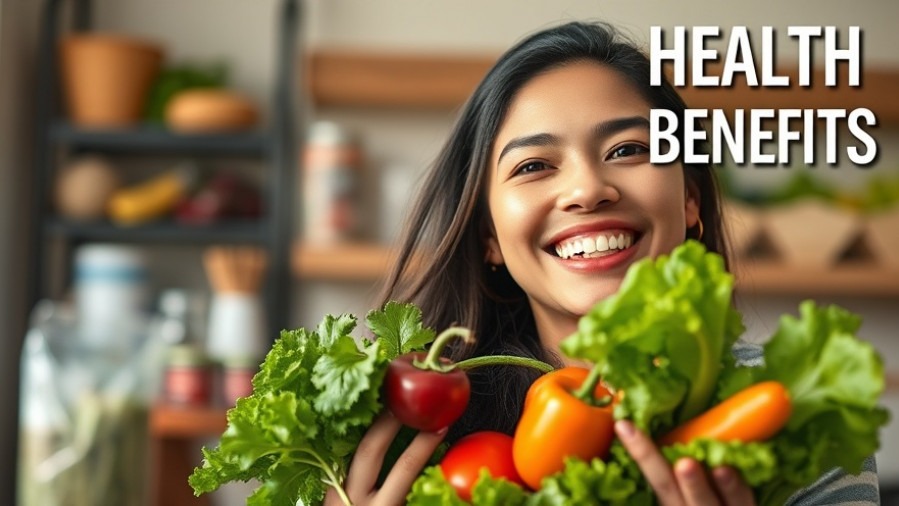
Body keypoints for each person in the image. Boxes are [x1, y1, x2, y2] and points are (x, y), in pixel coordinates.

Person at [324, 21, 880, 506]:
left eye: (628, 150)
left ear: (689, 198)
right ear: (488, 235)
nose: (588, 189)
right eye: (534, 165)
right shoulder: (407, 428)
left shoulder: (798, 409)